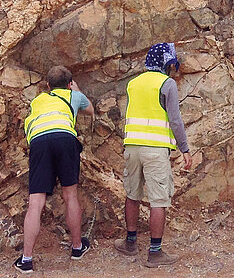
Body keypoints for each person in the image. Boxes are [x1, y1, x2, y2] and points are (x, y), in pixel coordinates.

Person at [113, 43, 192, 268]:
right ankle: (155, 252)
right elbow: (175, 120)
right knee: (159, 199)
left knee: (132, 194)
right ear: (167, 63)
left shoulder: (133, 83)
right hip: (155, 149)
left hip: (132, 147)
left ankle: (130, 243)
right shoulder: (167, 84)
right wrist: (184, 148)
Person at [14, 65, 95, 273]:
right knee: (70, 195)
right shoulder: (73, 95)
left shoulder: (38, 100)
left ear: (48, 86)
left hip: (39, 141)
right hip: (65, 137)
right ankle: (77, 247)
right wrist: (75, 91)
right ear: (69, 83)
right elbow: (90, 110)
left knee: (36, 201)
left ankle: (27, 259)